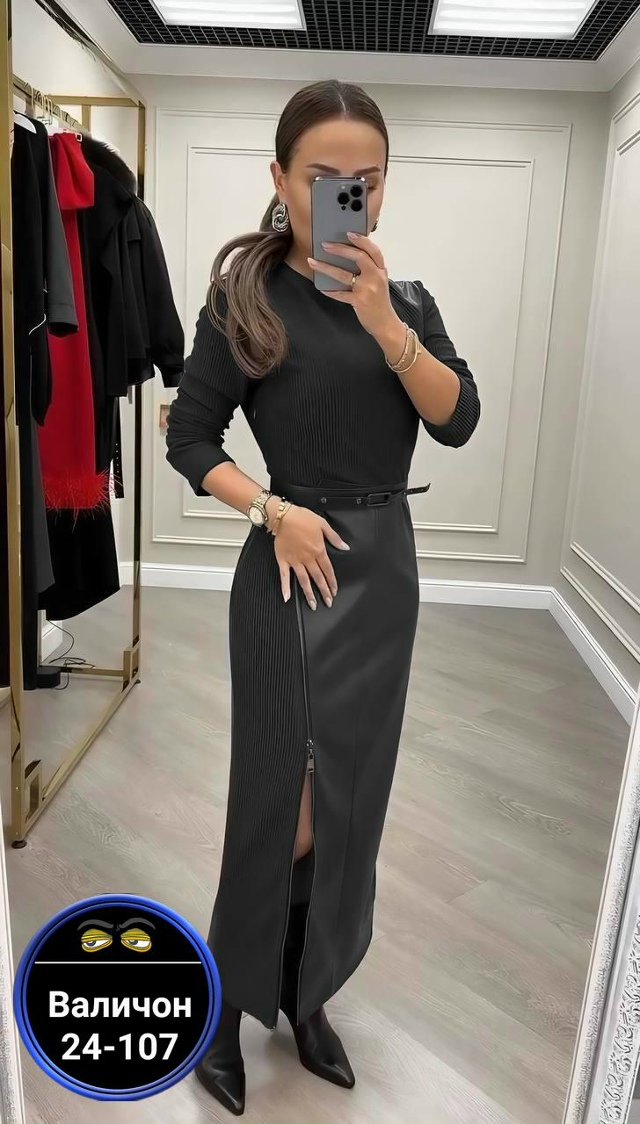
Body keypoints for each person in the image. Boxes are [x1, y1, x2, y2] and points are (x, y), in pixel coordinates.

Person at [166, 78, 480, 1115]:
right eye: (323, 178)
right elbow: (190, 438)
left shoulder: (409, 301)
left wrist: (386, 323)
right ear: (279, 177)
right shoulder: (246, 300)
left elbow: (457, 418)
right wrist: (273, 511)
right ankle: (222, 1008)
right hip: (290, 571)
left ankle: (307, 996)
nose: (349, 196)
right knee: (282, 808)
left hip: (383, 579)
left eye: (367, 180)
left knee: (350, 807)